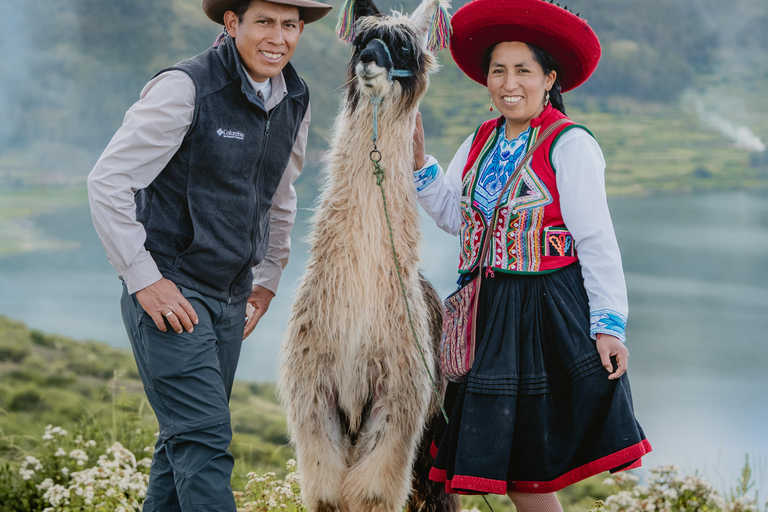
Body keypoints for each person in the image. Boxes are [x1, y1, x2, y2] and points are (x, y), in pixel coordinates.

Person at [86, 0, 331, 509]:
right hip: (172, 293)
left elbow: (280, 194)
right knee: (204, 439)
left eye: (290, 25)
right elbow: (107, 182)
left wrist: (267, 278)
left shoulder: (295, 96)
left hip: (232, 299)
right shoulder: (186, 87)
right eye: (264, 22)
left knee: (181, 443)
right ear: (232, 22)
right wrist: (143, 278)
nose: (278, 38)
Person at [411, 0, 651, 510]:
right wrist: (418, 163)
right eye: (498, 70)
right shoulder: (479, 141)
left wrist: (609, 325)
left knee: (526, 469)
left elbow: (596, 241)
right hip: (486, 314)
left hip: (544, 314)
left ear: (549, 79)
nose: (509, 83)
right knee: (510, 465)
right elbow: (456, 217)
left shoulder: (570, 144)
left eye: (523, 70)